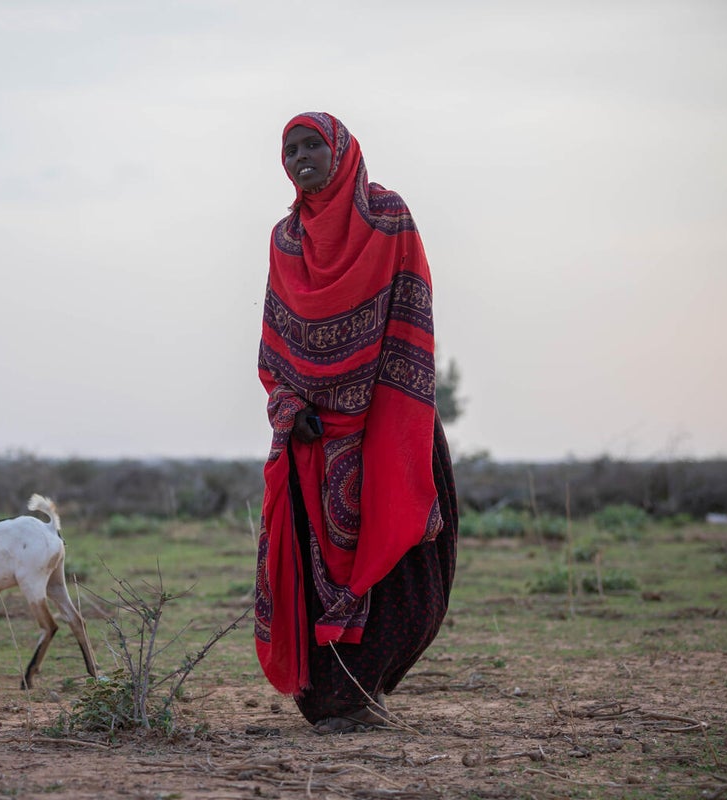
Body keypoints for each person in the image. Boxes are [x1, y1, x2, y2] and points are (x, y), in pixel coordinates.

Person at [253, 112, 458, 735]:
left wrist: (375, 399)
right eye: (290, 149)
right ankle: (335, 704)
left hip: (392, 419)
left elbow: (412, 305)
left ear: (341, 151)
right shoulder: (285, 239)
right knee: (310, 571)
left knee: (413, 564)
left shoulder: (388, 216)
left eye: (313, 143)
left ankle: (368, 690)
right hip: (314, 438)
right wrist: (293, 408)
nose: (301, 156)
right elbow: (275, 342)